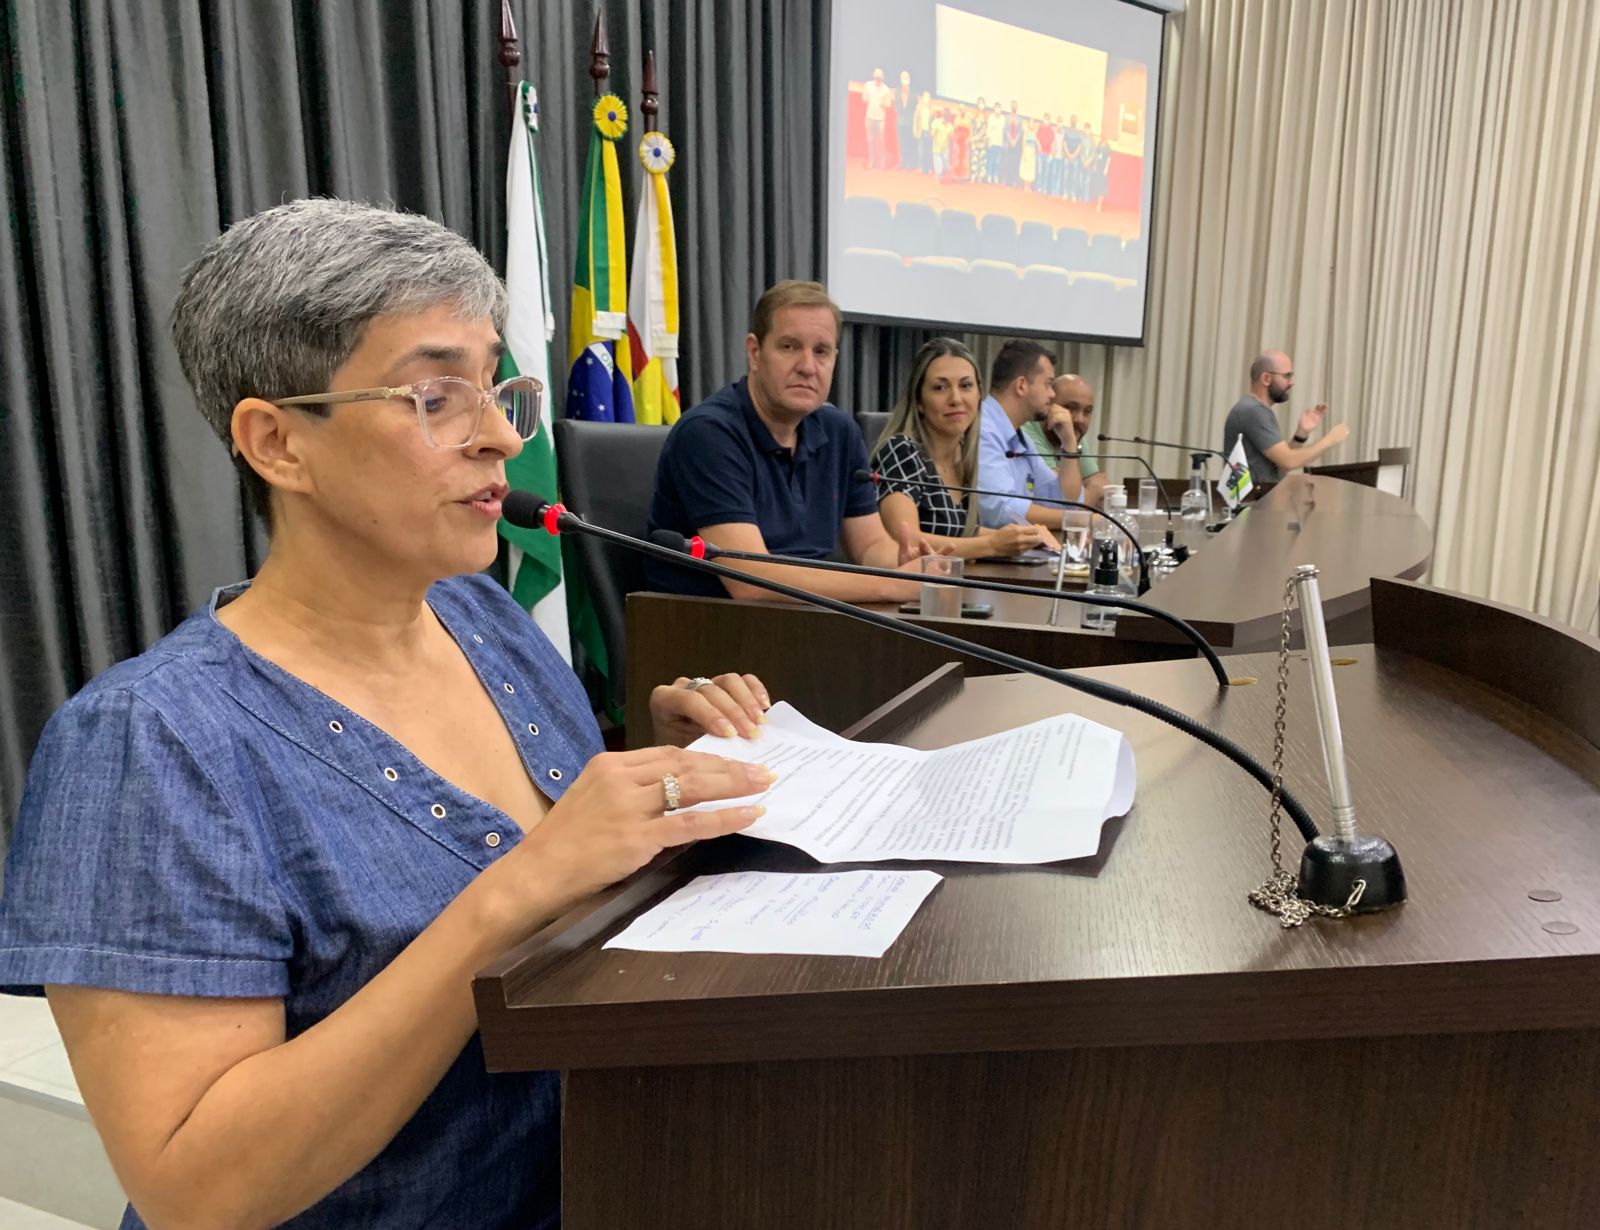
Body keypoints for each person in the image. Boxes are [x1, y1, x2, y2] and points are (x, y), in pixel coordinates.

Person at [0, 200, 776, 1230]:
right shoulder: (149, 744)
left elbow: (565, 868)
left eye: (496, 387)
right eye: (436, 397)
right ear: (277, 443)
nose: (502, 437)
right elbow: (197, 1190)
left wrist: (658, 772)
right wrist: (513, 892)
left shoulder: (484, 620)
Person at [645, 280, 931, 603]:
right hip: (702, 622)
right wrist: (892, 585)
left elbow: (870, 546)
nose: (807, 367)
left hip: (801, 616)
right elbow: (752, 582)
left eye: (821, 351)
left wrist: (906, 565)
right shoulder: (708, 434)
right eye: (789, 347)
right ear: (755, 353)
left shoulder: (840, 432)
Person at [871, 337, 1060, 558]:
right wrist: (993, 545)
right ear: (919, 401)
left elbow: (961, 531)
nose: (956, 399)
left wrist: (1025, 538)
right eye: (940, 388)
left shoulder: (965, 456)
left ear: (979, 394)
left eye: (966, 386)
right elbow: (906, 539)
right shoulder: (901, 451)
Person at [976, 339, 1085, 529]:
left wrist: (1069, 443)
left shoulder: (1021, 439)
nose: (1052, 395)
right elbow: (1002, 510)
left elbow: (1062, 502)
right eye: (1048, 384)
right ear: (1021, 385)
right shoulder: (983, 430)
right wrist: (1081, 520)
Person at [1222, 350, 1351, 484]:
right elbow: (1289, 461)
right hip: (1254, 497)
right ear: (1266, 378)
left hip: (1263, 495)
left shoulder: (1257, 410)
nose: (1292, 383)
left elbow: (1281, 465)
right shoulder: (1253, 411)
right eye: (1287, 376)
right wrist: (1329, 440)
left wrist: (1301, 434)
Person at [1052, 373, 1107, 507]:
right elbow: (1066, 502)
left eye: (1087, 411)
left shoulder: (1074, 434)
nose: (1079, 419)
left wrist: (1085, 493)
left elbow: (1100, 482)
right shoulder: (1029, 434)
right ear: (1049, 405)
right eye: (1071, 408)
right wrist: (1094, 492)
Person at [862, 67, 893, 169]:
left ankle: (882, 162)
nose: (877, 80)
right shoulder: (868, 85)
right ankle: (872, 162)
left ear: (882, 79)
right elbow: (864, 99)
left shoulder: (886, 89)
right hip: (869, 117)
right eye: (876, 78)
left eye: (879, 78)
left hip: (880, 119)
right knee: (870, 140)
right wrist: (866, 96)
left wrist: (883, 103)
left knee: (881, 141)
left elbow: (888, 104)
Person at [894, 71, 914, 169]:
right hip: (900, 122)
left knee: (909, 143)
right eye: (903, 78)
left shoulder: (913, 93)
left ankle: (909, 163)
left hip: (909, 123)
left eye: (906, 78)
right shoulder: (897, 92)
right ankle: (902, 162)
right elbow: (896, 106)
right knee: (901, 143)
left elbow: (914, 109)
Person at [970, 94, 990, 183]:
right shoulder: (974, 116)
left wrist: (986, 139)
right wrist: (972, 138)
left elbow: (987, 129)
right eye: (979, 103)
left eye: (982, 103)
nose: (981, 104)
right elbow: (971, 127)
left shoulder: (986, 117)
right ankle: (973, 176)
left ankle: (980, 177)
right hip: (975, 140)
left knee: (982, 160)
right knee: (974, 159)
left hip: (983, 141)